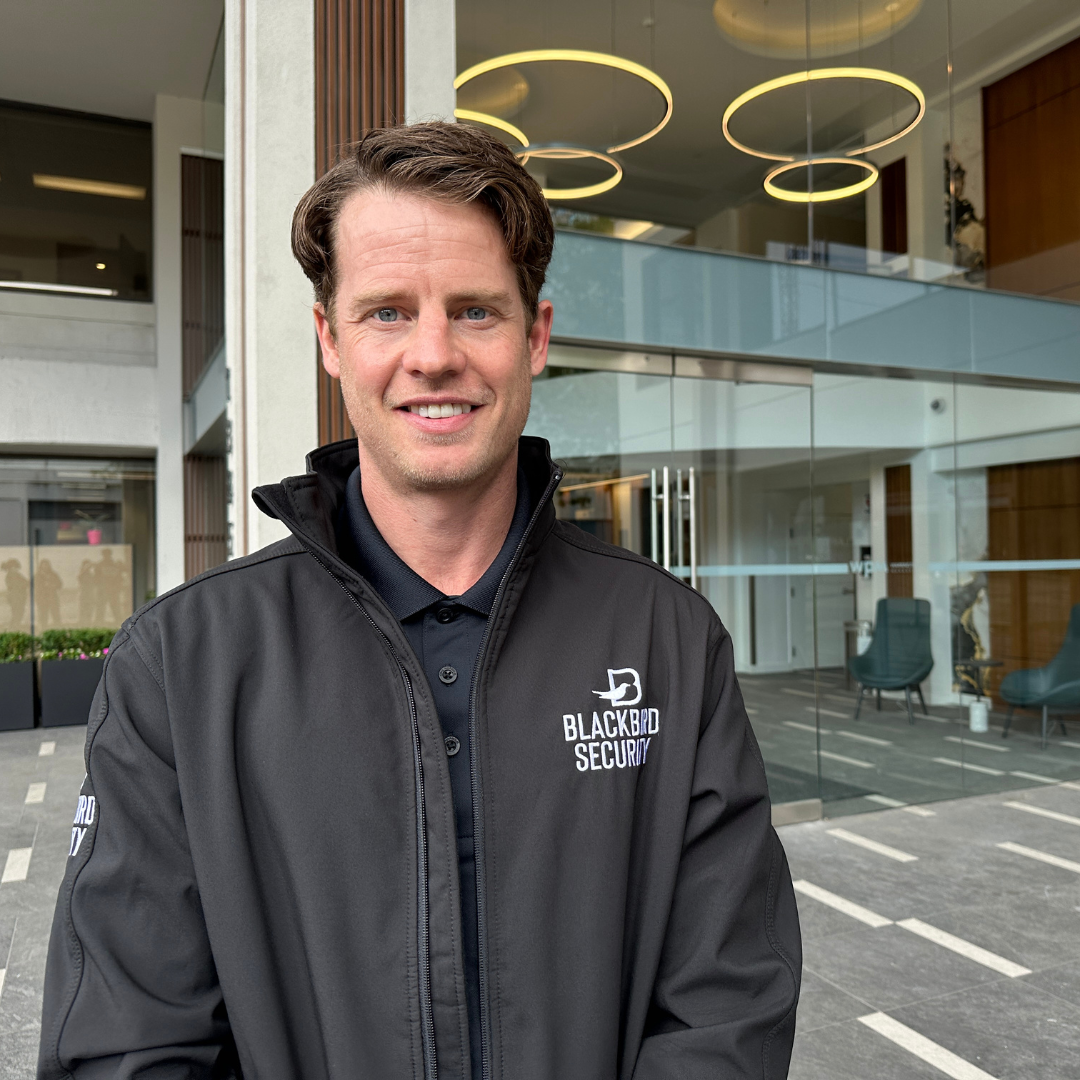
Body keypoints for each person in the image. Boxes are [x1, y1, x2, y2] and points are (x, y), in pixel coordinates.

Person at [39, 122, 800, 1080]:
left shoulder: (667, 641)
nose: (433, 355)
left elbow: (728, 1009)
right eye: (387, 312)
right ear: (330, 340)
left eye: (476, 311)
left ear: (537, 336)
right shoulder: (181, 666)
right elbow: (125, 1042)